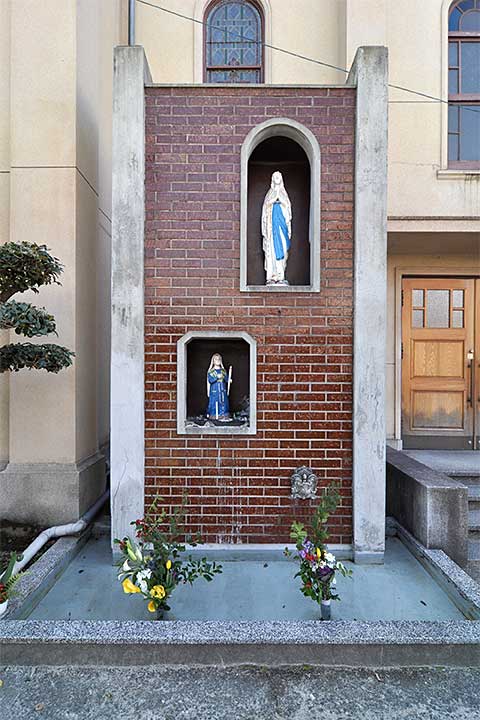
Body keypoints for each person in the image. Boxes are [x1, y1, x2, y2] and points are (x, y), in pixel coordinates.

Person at [261, 171, 292, 285]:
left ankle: (280, 275)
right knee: (272, 251)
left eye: (279, 176)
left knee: (283, 248)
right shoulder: (269, 194)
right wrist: (272, 201)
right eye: (275, 176)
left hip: (282, 227)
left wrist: (281, 202)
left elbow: (288, 211)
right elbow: (265, 211)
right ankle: (272, 276)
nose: (277, 178)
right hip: (271, 229)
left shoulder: (284, 194)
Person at [206, 353, 231, 420]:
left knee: (224, 402)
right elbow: (210, 380)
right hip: (215, 390)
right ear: (213, 361)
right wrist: (217, 377)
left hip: (223, 390)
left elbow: (226, 379)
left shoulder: (223, 371)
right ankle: (214, 414)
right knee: (215, 402)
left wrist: (229, 380)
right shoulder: (211, 371)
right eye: (216, 359)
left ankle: (224, 414)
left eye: (219, 359)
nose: (218, 360)